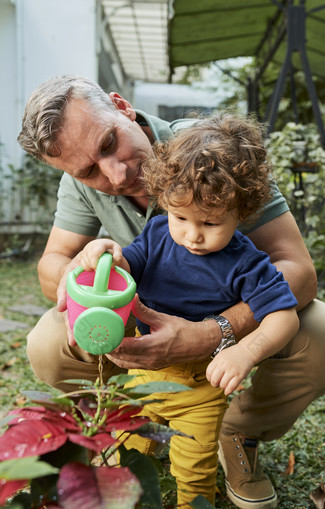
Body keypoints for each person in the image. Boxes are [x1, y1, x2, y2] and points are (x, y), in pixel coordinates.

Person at [17, 75, 325, 509]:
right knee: (47, 341)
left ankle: (237, 431)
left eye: (110, 142)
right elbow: (51, 265)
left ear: (122, 106)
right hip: (144, 325)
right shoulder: (94, 192)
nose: (116, 173)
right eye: (89, 170)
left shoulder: (215, 156)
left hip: (229, 321)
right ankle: (124, 419)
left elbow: (298, 272)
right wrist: (90, 269)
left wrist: (214, 333)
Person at [77, 112, 300, 508]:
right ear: (166, 201)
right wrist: (106, 253)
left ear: (242, 211)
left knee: (193, 467)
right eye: (181, 217)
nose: (193, 235)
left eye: (211, 223)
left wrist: (246, 350)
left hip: (200, 385)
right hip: (142, 377)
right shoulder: (159, 233)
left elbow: (285, 315)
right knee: (125, 449)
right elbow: (128, 267)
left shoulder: (246, 263)